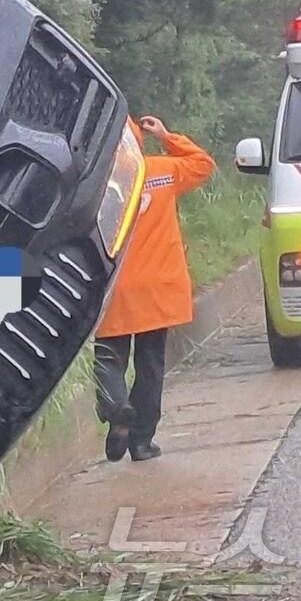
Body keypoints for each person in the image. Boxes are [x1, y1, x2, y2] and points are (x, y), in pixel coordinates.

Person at [94, 114, 215, 462]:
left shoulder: (98, 184)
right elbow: (203, 164)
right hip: (159, 289)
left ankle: (118, 409)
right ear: (138, 141)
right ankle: (142, 442)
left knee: (108, 357)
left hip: (114, 290)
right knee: (150, 365)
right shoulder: (163, 170)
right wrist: (166, 135)